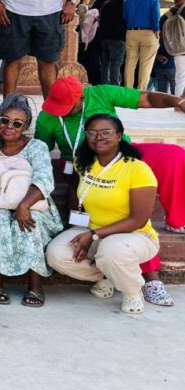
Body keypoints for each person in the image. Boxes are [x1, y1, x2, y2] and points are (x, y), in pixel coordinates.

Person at [35, 76, 185, 306]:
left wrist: (176, 101)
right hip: (82, 164)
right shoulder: (48, 116)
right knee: (100, 230)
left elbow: (146, 98)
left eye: (68, 107)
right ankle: (113, 274)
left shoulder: (101, 93)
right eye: (57, 107)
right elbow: (40, 152)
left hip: (121, 157)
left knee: (174, 156)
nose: (61, 113)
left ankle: (176, 222)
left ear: (82, 96)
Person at [46, 114, 160, 315]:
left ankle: (132, 291)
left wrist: (94, 234)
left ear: (119, 136)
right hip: (92, 229)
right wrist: (78, 228)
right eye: (92, 132)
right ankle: (106, 277)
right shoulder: (83, 163)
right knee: (56, 254)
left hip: (135, 236)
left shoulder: (137, 169)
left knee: (111, 250)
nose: (99, 137)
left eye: (106, 132)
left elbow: (138, 219)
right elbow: (75, 194)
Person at [0, 94, 63, 307]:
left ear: (26, 126)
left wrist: (23, 205)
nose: (9, 126)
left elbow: (45, 181)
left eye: (17, 123)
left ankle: (35, 286)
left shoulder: (37, 147)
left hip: (32, 202)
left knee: (30, 221)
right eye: (4, 120)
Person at [122, 0, 161, 90]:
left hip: (131, 32)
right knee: (145, 65)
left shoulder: (127, 1)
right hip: (148, 33)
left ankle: (128, 90)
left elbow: (125, 17)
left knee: (130, 62)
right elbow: (156, 19)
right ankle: (141, 91)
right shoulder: (153, 0)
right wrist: (157, 33)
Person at [96, 0, 132, 85]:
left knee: (105, 63)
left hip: (104, 37)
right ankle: (114, 87)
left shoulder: (107, 3)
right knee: (116, 64)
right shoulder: (126, 1)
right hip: (118, 37)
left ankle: (105, 85)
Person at [165, 0, 185, 95]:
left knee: (180, 78)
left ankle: (178, 104)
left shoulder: (172, 11)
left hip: (177, 49)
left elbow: (161, 23)